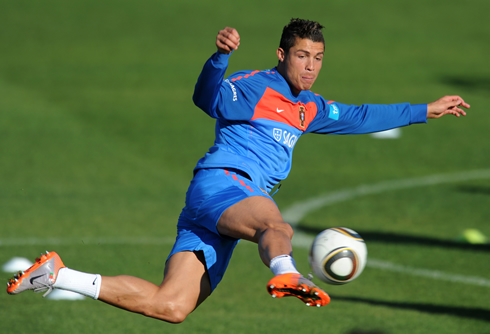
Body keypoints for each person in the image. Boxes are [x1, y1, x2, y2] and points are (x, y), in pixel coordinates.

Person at [7, 18, 470, 323]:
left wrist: (424, 110)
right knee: (276, 223)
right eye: (303, 56)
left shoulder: (310, 106)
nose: (310, 67)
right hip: (224, 184)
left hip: (214, 212)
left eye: (319, 58)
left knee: (172, 306)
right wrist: (219, 59)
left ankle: (59, 275)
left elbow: (362, 116)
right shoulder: (253, 86)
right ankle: (286, 271)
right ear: (283, 54)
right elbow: (206, 100)